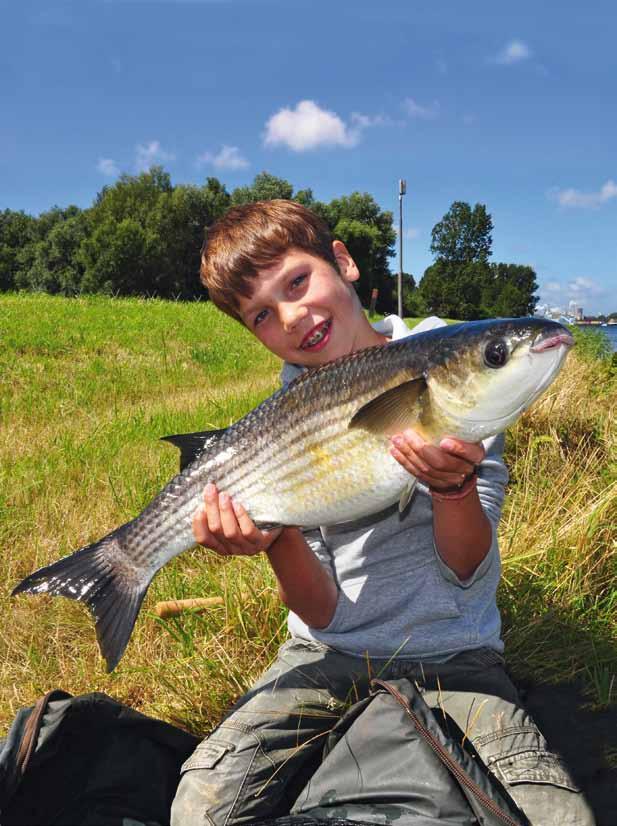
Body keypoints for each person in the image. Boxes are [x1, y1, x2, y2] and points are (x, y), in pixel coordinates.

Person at [171, 200, 594, 826]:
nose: (293, 316)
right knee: (198, 809)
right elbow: (320, 612)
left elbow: (467, 566)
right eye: (262, 314)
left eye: (297, 281)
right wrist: (274, 536)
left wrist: (452, 491)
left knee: (557, 818)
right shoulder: (276, 429)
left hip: (457, 660)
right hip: (322, 655)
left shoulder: (452, 362)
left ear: (342, 262)